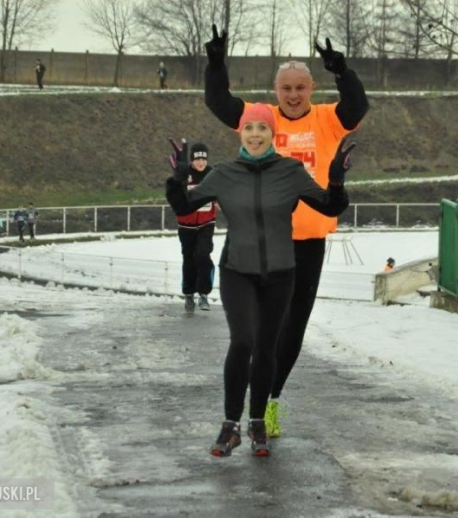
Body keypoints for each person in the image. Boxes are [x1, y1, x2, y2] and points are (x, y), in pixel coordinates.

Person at [204, 25, 368, 438]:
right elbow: (220, 103)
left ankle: (271, 401)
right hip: (262, 241)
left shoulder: (328, 119)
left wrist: (342, 72)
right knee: (256, 334)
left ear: (311, 88)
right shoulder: (263, 119)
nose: (293, 95)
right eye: (286, 88)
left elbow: (357, 104)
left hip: (308, 243)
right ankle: (244, 407)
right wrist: (215, 64)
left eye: (300, 87)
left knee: (292, 330)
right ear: (275, 90)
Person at [165, 104, 355, 457]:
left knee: (267, 349)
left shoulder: (291, 172)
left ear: (272, 134)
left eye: (262, 128)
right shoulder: (223, 174)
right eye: (249, 128)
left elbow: (329, 206)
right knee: (243, 342)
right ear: (241, 133)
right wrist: (179, 177)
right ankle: (230, 424)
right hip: (238, 270)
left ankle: (256, 423)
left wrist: (336, 179)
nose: (255, 134)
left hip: (282, 273)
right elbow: (183, 207)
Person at [174, 142, 217, 312]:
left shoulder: (213, 174)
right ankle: (189, 294)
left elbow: (221, 191)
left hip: (207, 222)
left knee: (203, 255)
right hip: (186, 224)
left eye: (204, 159)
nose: (201, 163)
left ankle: (204, 294)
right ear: (192, 160)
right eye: (197, 159)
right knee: (189, 258)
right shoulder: (185, 174)